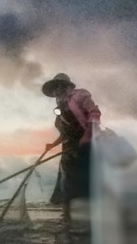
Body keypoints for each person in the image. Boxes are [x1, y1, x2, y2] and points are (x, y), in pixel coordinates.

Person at [42, 72, 101, 222]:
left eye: (60, 86)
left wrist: (87, 135)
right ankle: (67, 217)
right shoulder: (60, 109)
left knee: (85, 177)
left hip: (85, 145)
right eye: (55, 88)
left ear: (67, 86)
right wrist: (53, 145)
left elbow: (94, 114)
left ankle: (91, 215)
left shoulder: (80, 96)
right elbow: (65, 134)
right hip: (68, 149)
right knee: (66, 180)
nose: (57, 91)